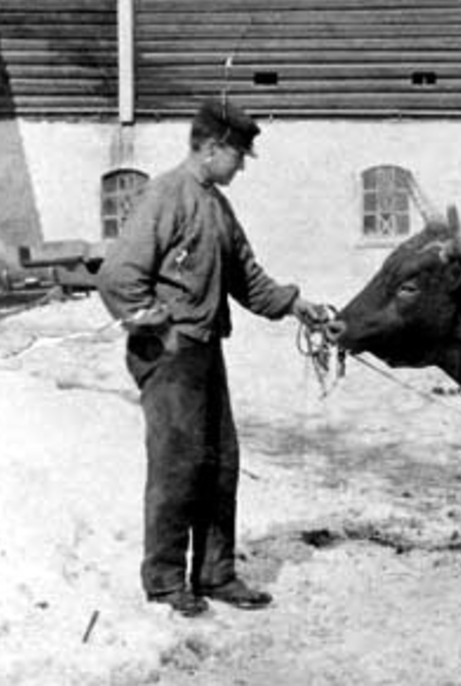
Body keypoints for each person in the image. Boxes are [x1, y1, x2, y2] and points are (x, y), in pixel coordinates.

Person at [97, 98, 329, 618]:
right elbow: (117, 275)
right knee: (177, 467)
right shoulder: (166, 195)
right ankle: (163, 581)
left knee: (220, 464)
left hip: (205, 350)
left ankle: (215, 573)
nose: (242, 166)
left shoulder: (217, 205)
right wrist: (146, 317)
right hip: (170, 352)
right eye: (239, 156)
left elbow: (248, 277)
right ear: (212, 148)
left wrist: (297, 306)